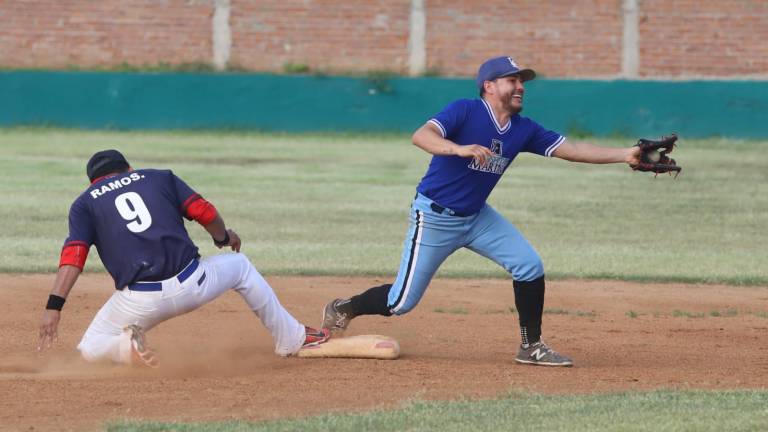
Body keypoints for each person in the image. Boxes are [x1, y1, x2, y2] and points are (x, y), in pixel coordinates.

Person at [321, 55, 646, 367]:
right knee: (400, 302)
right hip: (435, 217)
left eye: (522, 81)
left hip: (477, 218)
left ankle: (531, 346)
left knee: (529, 266)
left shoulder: (524, 129)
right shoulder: (465, 110)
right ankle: (343, 307)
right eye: (512, 80)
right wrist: (457, 148)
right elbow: (421, 136)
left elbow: (572, 149)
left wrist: (625, 154)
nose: (521, 86)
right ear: (489, 86)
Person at [38, 150, 329, 367]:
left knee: (89, 348)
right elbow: (205, 212)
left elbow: (74, 256)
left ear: (93, 182)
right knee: (241, 266)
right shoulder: (159, 177)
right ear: (129, 169)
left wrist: (54, 306)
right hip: (195, 281)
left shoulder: (84, 203)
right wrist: (222, 238)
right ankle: (290, 339)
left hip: (141, 301)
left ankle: (123, 348)